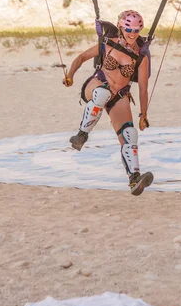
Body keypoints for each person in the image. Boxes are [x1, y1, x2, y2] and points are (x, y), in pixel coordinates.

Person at [63, 10, 153, 196]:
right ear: (120, 27)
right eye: (128, 29)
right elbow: (81, 58)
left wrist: (143, 114)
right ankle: (82, 135)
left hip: (119, 95)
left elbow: (143, 88)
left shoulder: (140, 57)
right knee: (102, 93)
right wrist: (70, 75)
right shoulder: (107, 44)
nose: (132, 33)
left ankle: (134, 179)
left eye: (137, 30)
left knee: (130, 134)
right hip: (97, 85)